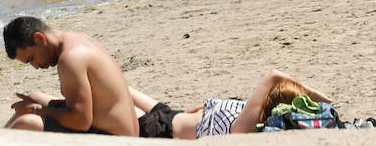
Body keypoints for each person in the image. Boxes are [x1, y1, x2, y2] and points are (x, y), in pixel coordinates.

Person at [1, 16, 165, 137]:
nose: (35, 66)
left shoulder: (70, 59)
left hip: (117, 139)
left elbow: (80, 122)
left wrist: (38, 111)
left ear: (39, 38)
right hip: (123, 130)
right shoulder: (78, 39)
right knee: (33, 97)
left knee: (27, 122)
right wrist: (36, 106)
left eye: (31, 58)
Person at [128, 69, 335, 137]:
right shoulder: (247, 113)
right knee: (118, 85)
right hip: (169, 116)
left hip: (159, 129)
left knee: (113, 92)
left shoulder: (243, 129)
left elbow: (272, 76)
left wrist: (312, 93)